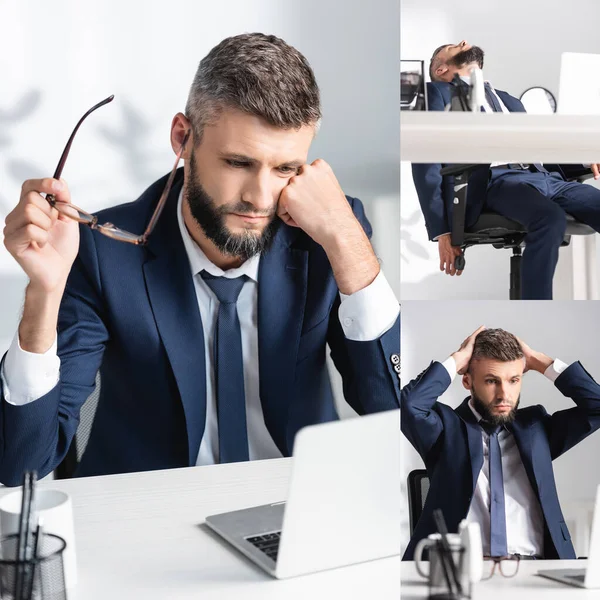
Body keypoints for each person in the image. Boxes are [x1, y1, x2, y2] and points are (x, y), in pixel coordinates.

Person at [0, 33, 400, 485]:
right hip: (148, 519)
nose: (259, 198)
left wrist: (347, 240)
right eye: (238, 163)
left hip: (299, 507)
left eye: (285, 169)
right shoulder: (99, 251)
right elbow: (21, 465)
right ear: (182, 139)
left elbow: (398, 417)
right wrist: (43, 293)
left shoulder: (328, 233)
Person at [412, 40, 600, 300]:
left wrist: (582, 160)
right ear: (440, 69)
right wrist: (442, 231)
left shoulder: (509, 100)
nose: (464, 42)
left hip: (543, 178)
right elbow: (425, 162)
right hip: (494, 182)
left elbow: (541, 152)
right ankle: (536, 306)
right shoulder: (437, 93)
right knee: (551, 218)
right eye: (454, 46)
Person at [401, 326, 600, 560]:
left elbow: (596, 407)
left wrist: (539, 362)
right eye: (491, 381)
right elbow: (409, 406)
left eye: (513, 380)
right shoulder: (445, 429)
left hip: (536, 568)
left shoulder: (535, 428)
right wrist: (456, 360)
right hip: (461, 570)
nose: (504, 394)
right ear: (467, 381)